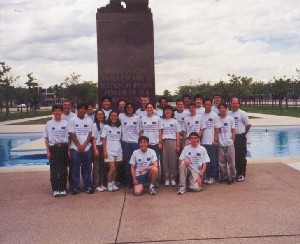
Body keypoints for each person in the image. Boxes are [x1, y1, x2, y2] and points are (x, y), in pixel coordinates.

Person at [44, 104, 69, 197]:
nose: (57, 112)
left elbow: (68, 138)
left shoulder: (66, 123)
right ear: (52, 112)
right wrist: (48, 151)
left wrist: (68, 150)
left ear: (62, 112)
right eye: (55, 111)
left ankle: (62, 188)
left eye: (59, 110)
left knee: (63, 169)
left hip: (63, 147)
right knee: (54, 170)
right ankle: (55, 189)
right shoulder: (49, 123)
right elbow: (46, 138)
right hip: (53, 148)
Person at [69, 103, 94, 194]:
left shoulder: (89, 121)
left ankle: (88, 186)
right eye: (81, 109)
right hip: (75, 148)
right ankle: (75, 187)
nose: (82, 110)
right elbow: (72, 133)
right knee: (75, 168)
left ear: (86, 111)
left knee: (87, 168)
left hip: (87, 148)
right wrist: (79, 145)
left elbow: (90, 134)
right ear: (77, 110)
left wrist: (84, 145)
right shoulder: (72, 120)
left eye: (84, 109)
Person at [228, 97, 251, 182]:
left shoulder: (242, 113)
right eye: (233, 103)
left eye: (236, 103)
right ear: (231, 104)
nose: (234, 105)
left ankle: (242, 174)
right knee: (235, 156)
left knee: (241, 156)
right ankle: (237, 173)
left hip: (240, 137)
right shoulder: (229, 114)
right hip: (232, 137)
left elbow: (248, 125)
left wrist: (244, 133)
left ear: (239, 104)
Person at [159, 105, 181, 186]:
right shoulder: (161, 121)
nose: (167, 112)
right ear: (164, 112)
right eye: (166, 110)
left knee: (172, 160)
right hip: (164, 141)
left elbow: (177, 133)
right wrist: (160, 142)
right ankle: (166, 178)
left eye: (169, 110)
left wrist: (177, 145)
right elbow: (160, 132)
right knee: (164, 161)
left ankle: (173, 178)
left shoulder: (174, 121)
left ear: (172, 112)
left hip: (172, 141)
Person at [101, 110, 122, 191]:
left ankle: (113, 182)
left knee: (115, 168)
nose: (114, 117)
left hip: (118, 150)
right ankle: (109, 184)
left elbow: (120, 139)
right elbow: (103, 139)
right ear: (109, 117)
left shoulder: (119, 127)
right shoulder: (106, 127)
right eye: (112, 116)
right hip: (109, 150)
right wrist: (105, 151)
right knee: (112, 168)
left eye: (115, 116)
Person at [121, 102, 141, 187]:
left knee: (136, 163)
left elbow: (139, 131)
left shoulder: (137, 118)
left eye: (131, 107)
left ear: (133, 109)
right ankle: (128, 182)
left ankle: (137, 180)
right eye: (128, 107)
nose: (129, 109)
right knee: (127, 163)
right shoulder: (121, 117)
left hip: (135, 143)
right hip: (126, 143)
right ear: (125, 109)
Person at [201, 98, 221, 185]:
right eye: (206, 104)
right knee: (206, 161)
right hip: (203, 142)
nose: (208, 106)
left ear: (211, 105)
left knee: (212, 160)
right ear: (204, 105)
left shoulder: (214, 115)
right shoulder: (201, 115)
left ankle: (213, 177)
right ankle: (207, 176)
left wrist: (215, 140)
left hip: (211, 142)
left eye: (209, 104)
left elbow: (217, 128)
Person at [218, 103, 236, 184]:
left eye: (223, 108)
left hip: (229, 144)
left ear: (226, 109)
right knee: (222, 163)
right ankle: (224, 176)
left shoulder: (230, 119)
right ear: (219, 110)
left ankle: (232, 177)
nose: (222, 109)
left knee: (231, 162)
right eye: (220, 108)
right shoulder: (217, 119)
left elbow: (233, 130)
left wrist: (232, 141)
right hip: (220, 144)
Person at [92, 109, 108, 192]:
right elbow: (94, 138)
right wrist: (95, 149)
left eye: (102, 114)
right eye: (98, 115)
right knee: (96, 166)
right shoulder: (95, 125)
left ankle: (102, 183)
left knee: (103, 166)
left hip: (104, 146)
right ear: (96, 116)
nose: (100, 116)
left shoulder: (106, 124)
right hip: (97, 146)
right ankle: (96, 184)